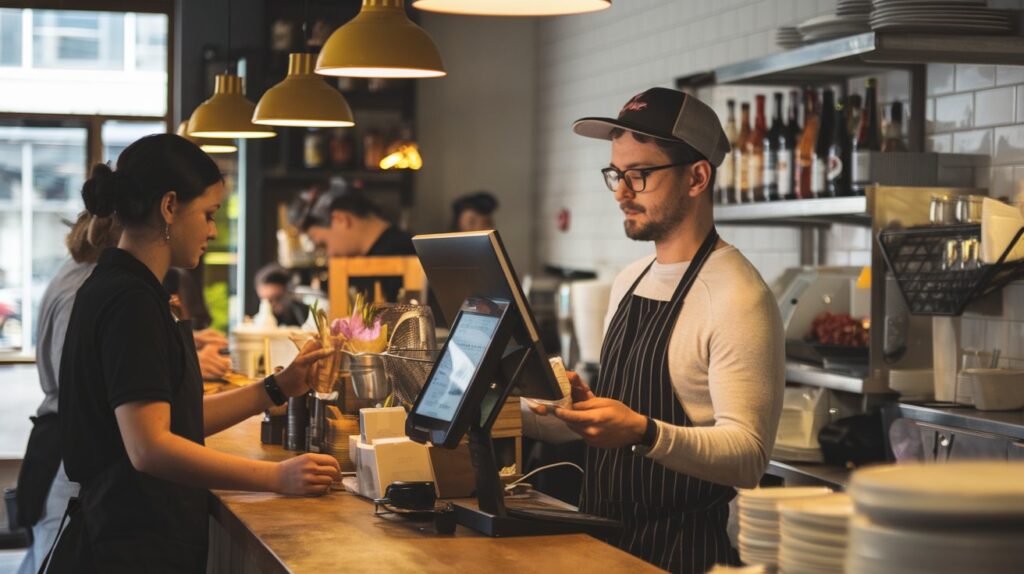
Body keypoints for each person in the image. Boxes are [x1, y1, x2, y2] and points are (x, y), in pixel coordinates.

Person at [57, 134, 340, 571]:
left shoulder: (127, 287)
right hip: (130, 545)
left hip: (132, 534)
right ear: (169, 206)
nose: (212, 230)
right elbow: (150, 447)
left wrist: (277, 387)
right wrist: (277, 477)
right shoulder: (130, 301)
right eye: (208, 215)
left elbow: (175, 419)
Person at [539, 88, 784, 573]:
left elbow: (748, 455)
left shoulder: (738, 296)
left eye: (640, 175)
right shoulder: (631, 279)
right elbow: (614, 419)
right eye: (616, 174)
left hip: (681, 553)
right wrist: (551, 408)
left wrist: (644, 432)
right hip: (605, 544)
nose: (621, 193)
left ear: (697, 177)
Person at [15, 213, 120, 574]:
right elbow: (75, 376)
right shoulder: (86, 284)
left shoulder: (76, 269)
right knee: (53, 559)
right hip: (65, 454)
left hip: (58, 442)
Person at [301, 190, 415, 303]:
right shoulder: (402, 247)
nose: (330, 253)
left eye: (323, 244)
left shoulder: (402, 257)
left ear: (341, 220)